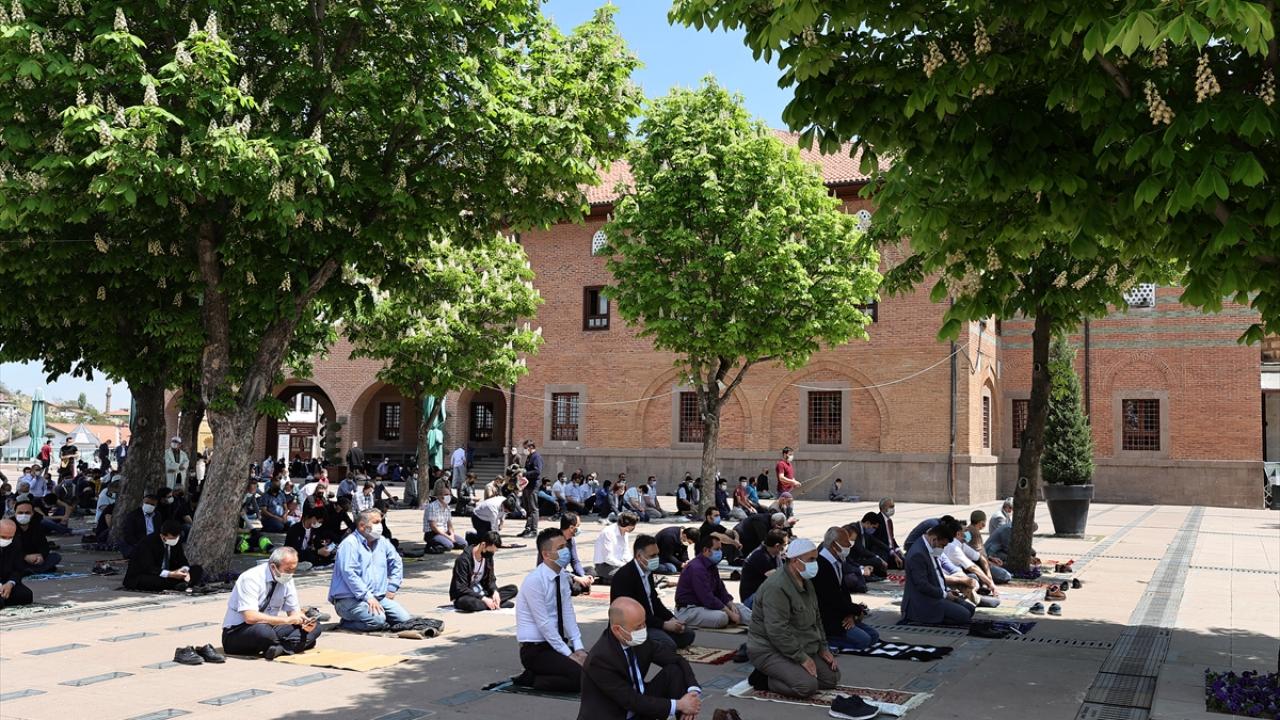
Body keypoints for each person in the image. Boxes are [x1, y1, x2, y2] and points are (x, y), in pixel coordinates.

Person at [744, 538, 843, 702]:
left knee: (830, 678)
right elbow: (777, 631)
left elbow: (816, 618)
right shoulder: (776, 587)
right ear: (795, 561)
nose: (815, 563)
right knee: (806, 687)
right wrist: (802, 659)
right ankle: (763, 679)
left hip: (800, 645)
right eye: (811, 560)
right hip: (770, 649)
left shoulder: (806, 581)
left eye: (815, 559)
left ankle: (787, 671)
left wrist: (823, 648)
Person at [577, 597, 703, 720]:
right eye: (638, 627)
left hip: (638, 705)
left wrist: (692, 691)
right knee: (681, 704)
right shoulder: (600, 659)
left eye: (644, 624)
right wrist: (680, 704)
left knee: (675, 671)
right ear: (617, 630)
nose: (643, 630)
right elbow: (631, 700)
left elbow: (677, 659)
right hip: (616, 713)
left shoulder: (638, 640)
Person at [514, 527, 587, 692]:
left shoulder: (562, 576)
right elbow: (544, 623)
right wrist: (569, 655)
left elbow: (568, 612)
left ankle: (558, 667)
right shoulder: (535, 581)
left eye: (565, 546)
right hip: (535, 650)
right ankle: (534, 679)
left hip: (557, 644)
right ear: (546, 554)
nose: (566, 551)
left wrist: (579, 648)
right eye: (560, 548)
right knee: (580, 677)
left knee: (596, 667)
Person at [222, 546, 322, 659]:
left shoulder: (288, 580)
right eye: (288, 570)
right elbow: (250, 617)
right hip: (239, 631)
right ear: (273, 567)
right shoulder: (250, 578)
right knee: (264, 631)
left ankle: (280, 648)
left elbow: (294, 613)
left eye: (293, 570)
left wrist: (304, 621)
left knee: (316, 627)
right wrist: (286, 621)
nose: (291, 574)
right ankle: (294, 645)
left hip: (271, 626)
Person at [327, 509, 415, 632]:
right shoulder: (349, 544)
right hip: (349, 599)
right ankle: (346, 624)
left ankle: (371, 618)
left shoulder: (382, 542)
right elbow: (349, 574)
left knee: (404, 619)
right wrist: (367, 597)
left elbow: (396, 562)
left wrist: (392, 587)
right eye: (376, 522)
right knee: (377, 620)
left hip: (377, 597)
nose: (380, 526)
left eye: (380, 522)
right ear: (362, 526)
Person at [610, 534, 696, 653]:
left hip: (651, 621)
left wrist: (672, 619)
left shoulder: (647, 572)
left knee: (688, 634)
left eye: (657, 554)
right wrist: (663, 625)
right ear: (639, 556)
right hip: (635, 626)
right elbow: (631, 617)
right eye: (652, 556)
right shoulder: (625, 577)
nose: (657, 559)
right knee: (667, 644)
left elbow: (654, 602)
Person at [814, 527, 881, 651]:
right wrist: (855, 610)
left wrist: (851, 613)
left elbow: (843, 591)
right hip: (830, 618)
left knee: (873, 636)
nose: (849, 546)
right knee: (864, 641)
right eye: (846, 543)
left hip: (842, 613)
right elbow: (832, 598)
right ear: (835, 544)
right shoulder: (822, 565)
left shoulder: (837, 560)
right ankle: (827, 641)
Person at [902, 518, 976, 626]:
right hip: (924, 601)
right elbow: (922, 585)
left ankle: (944, 614)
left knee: (970, 609)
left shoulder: (932, 547)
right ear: (934, 539)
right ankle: (929, 618)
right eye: (942, 545)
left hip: (938, 594)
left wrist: (947, 591)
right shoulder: (917, 554)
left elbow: (938, 573)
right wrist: (944, 594)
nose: (942, 548)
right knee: (964, 615)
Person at [673, 535, 751, 629]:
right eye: (717, 549)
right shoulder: (696, 568)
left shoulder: (712, 566)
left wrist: (730, 604)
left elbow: (720, 590)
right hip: (690, 609)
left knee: (740, 609)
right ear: (706, 550)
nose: (720, 552)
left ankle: (763, 625)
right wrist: (729, 612)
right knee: (722, 617)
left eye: (720, 549)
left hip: (707, 606)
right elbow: (707, 597)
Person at [123, 520, 205, 591]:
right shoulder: (147, 543)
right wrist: (171, 574)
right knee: (156, 581)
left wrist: (185, 570)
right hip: (149, 574)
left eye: (176, 538)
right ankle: (179, 585)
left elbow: (182, 559)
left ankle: (181, 584)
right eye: (171, 538)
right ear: (162, 536)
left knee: (197, 569)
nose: (174, 541)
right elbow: (149, 568)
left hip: (171, 572)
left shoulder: (176, 541)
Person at [450, 531, 518, 612]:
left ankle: (492, 602)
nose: (491, 554)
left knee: (513, 589)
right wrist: (483, 598)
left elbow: (491, 579)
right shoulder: (463, 560)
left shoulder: (488, 558)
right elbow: (461, 588)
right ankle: (494, 604)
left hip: (483, 592)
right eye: (490, 551)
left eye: (493, 552)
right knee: (471, 603)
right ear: (483, 545)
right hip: (466, 595)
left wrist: (495, 591)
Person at [739, 529, 787, 608]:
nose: (785, 547)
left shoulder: (772, 554)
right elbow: (777, 577)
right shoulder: (761, 556)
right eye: (784, 545)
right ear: (777, 546)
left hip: (761, 594)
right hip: (751, 599)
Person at [12, 499, 60, 573]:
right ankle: (33, 570)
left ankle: (29, 570)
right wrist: (25, 557)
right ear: (15, 513)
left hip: (34, 559)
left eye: (27, 513)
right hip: (16, 558)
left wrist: (41, 556)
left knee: (55, 557)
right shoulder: (8, 526)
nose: (23, 515)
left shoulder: (37, 526)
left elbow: (44, 546)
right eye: (20, 513)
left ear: (32, 513)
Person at [964, 510, 1010, 584]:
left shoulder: (970, 530)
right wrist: (988, 563)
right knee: (1006, 576)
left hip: (982, 561)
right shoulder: (970, 532)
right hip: (978, 564)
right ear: (981, 522)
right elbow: (972, 551)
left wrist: (990, 558)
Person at [593, 512, 637, 583]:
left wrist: (633, 564)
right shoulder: (608, 532)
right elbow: (608, 558)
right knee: (629, 577)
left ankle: (607, 579)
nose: (630, 530)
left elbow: (626, 553)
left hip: (619, 564)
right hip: (604, 565)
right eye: (630, 528)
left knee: (637, 572)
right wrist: (626, 566)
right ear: (624, 525)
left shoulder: (625, 532)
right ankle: (605, 579)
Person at [0, 519, 35, 609]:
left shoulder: (15, 543)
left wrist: (10, 584)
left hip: (6, 581)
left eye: (10, 537)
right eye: (3, 537)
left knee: (26, 595)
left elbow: (18, 569)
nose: (7, 540)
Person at [119, 492, 161, 558]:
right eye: (147, 503)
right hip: (137, 543)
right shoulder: (133, 515)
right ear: (142, 503)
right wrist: (140, 544)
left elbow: (158, 531)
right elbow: (128, 534)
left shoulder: (157, 515)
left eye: (152, 504)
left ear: (156, 506)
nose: (149, 506)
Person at [424, 484, 465, 549]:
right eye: (446, 495)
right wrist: (448, 537)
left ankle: (446, 542)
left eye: (449, 494)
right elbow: (433, 527)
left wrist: (452, 535)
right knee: (449, 545)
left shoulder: (447, 507)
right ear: (439, 496)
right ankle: (433, 545)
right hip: (434, 533)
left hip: (445, 532)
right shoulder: (432, 507)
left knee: (463, 544)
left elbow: (450, 525)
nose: (448, 496)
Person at [870, 497, 904, 569]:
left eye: (893, 506)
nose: (893, 509)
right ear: (883, 508)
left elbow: (891, 538)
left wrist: (898, 549)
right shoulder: (876, 520)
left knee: (906, 561)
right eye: (891, 506)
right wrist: (892, 553)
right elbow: (876, 541)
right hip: (883, 551)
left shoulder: (889, 521)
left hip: (892, 551)